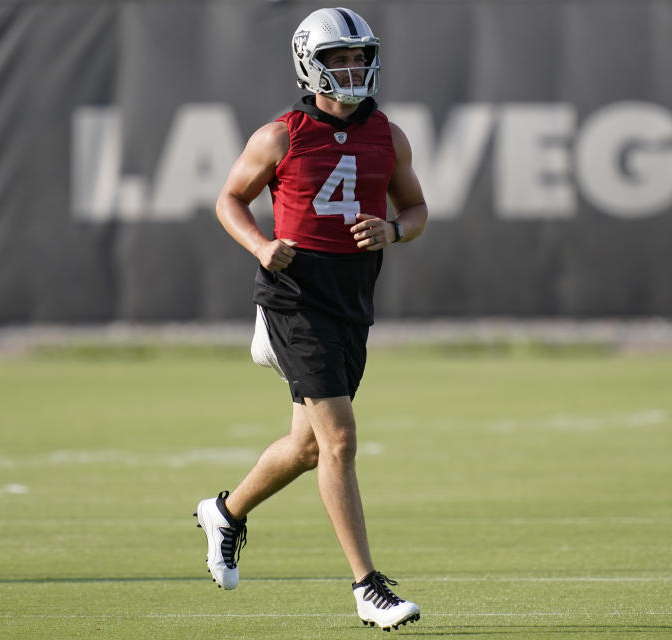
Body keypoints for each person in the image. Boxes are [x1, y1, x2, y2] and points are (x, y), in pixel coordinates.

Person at [193, 7, 427, 632]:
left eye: (358, 56)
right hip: (294, 297)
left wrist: (394, 230)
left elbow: (417, 208)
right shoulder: (282, 134)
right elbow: (230, 199)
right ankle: (367, 586)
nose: (351, 68)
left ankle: (226, 512)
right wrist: (262, 246)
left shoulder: (390, 135)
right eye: (337, 59)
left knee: (305, 447)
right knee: (341, 440)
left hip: (353, 300)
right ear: (309, 65)